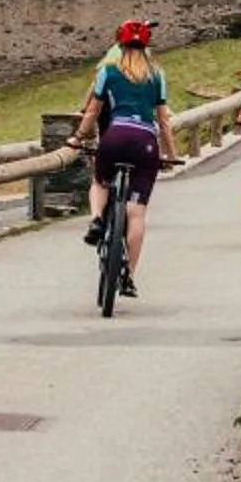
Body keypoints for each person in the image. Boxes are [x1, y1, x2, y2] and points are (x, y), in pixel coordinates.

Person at [71, 19, 175, 297]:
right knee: (137, 212)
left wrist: (78, 137)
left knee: (100, 182)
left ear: (119, 42)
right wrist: (170, 154)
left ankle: (96, 220)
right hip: (145, 142)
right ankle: (128, 276)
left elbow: (93, 111)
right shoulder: (157, 75)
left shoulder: (108, 71)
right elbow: (164, 121)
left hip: (115, 136)